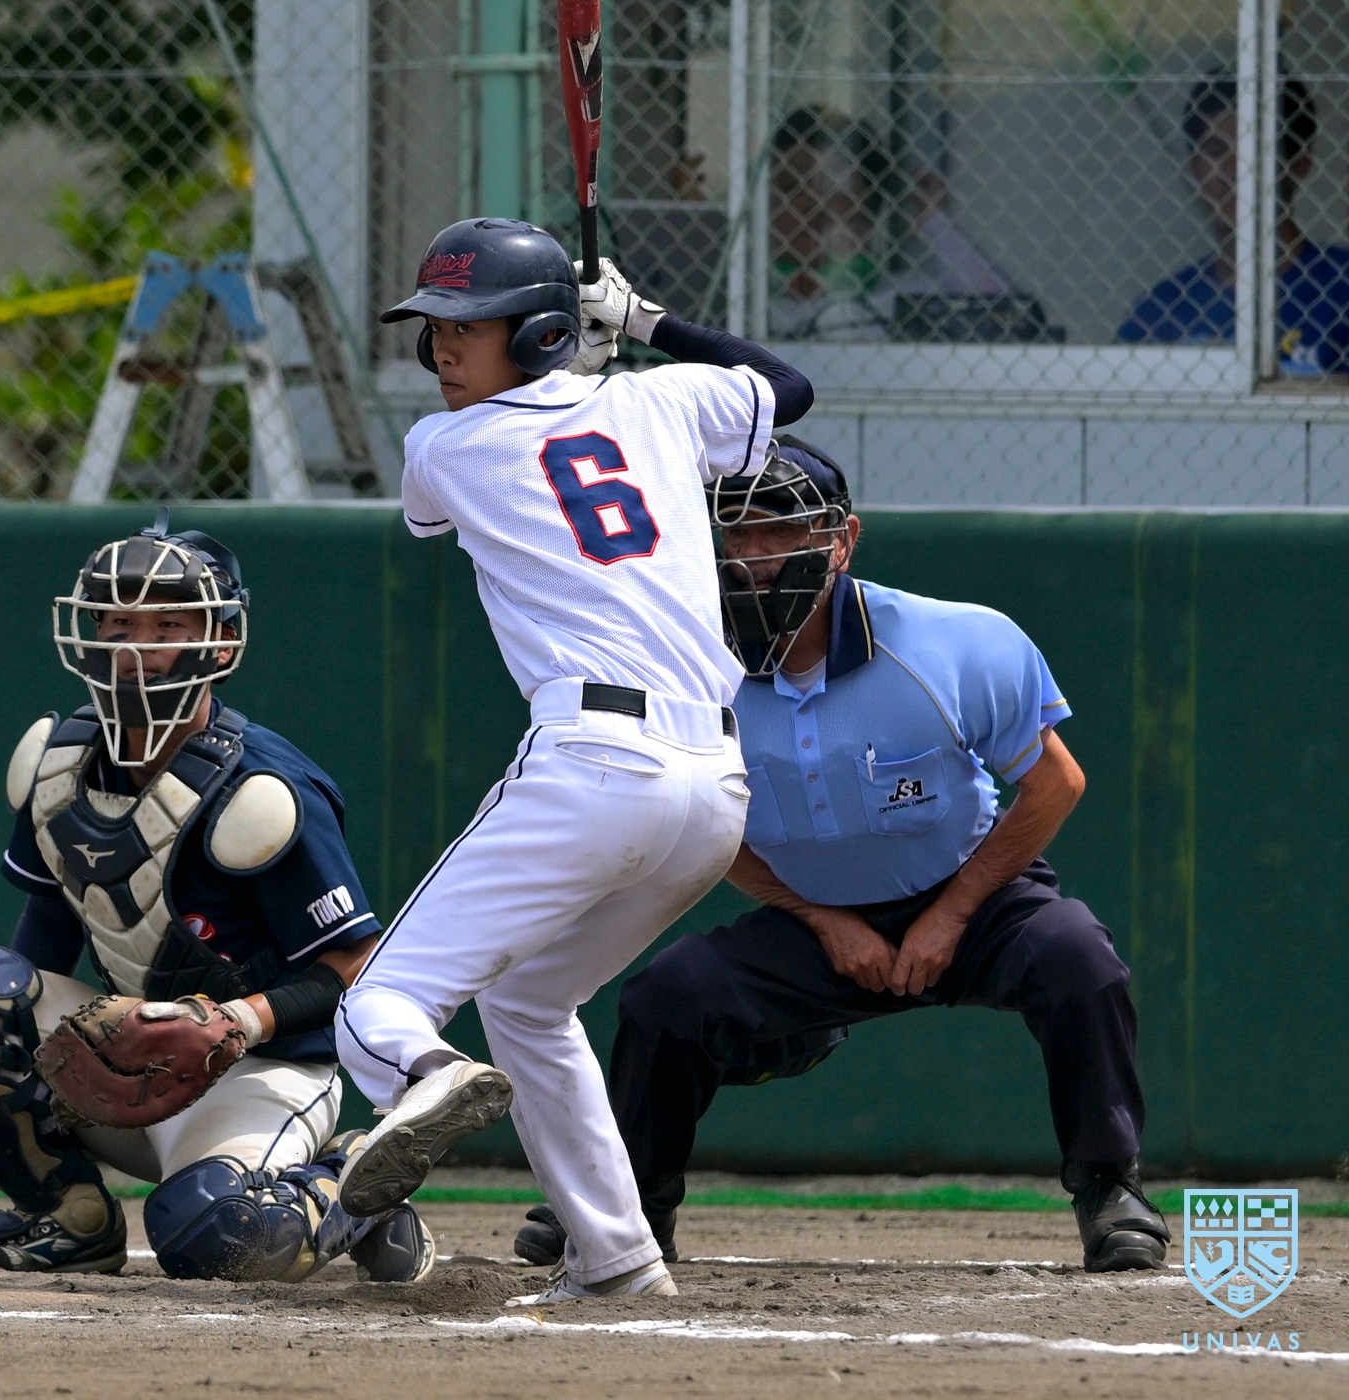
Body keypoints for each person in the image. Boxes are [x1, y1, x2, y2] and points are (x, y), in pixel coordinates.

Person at [511, 437, 1165, 1275]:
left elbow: (1055, 784)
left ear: (842, 541)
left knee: (1080, 961)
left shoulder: (955, 643)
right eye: (735, 535)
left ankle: (1111, 1190)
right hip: (811, 917)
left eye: (780, 530)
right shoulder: (681, 669)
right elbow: (700, 820)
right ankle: (624, 1211)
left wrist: (952, 915)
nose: (753, 557)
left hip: (972, 897)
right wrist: (821, 921)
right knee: (666, 999)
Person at [328, 217, 814, 1302]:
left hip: (594, 765)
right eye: (435, 328)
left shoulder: (441, 449)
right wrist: (642, 326)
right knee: (531, 1001)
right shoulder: (662, 400)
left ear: (538, 331)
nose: (442, 349)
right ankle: (617, 1260)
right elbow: (787, 388)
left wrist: (579, 363)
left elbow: (497, 477)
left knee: (377, 1006)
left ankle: (427, 1072)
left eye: (469, 327)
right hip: (713, 791)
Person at [0, 521, 434, 1283]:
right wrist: (5, 1108)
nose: (136, 647)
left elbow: (357, 968)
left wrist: (237, 1021)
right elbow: (43, 939)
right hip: (133, 1057)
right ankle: (69, 1219)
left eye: (168, 626)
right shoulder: (60, 766)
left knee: (219, 1239)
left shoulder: (265, 788)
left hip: (261, 1073)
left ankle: (350, 1181)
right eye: (118, 624)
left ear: (220, 641)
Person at [1118, 77, 1349, 373]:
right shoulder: (1162, 309)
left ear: (1299, 165)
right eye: (1216, 151)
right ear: (1194, 166)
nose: (1234, 171)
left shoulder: (1340, 290)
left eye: (1256, 150)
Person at [766, 105, 1013, 342]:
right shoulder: (753, 306)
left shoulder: (906, 299)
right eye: (791, 186)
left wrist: (934, 223)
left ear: (869, 200)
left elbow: (1006, 316)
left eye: (833, 184)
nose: (813, 201)